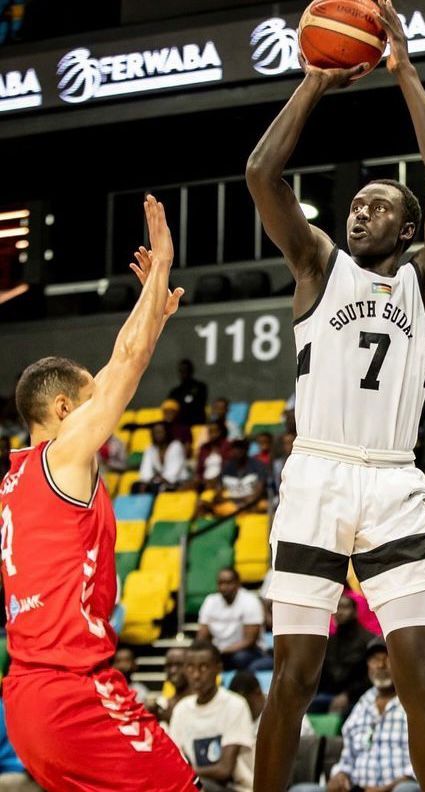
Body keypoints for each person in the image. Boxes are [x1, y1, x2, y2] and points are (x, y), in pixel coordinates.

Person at [245, 4, 425, 789]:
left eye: (380, 206)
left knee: (421, 680)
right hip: (319, 473)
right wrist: (311, 84)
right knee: (295, 678)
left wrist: (405, 72)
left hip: (394, 479)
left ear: (408, 231)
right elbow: (261, 175)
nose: (359, 210)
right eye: (356, 203)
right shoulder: (318, 267)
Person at [0, 196, 199, 791]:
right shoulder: (64, 455)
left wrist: (154, 315)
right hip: (73, 692)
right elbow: (127, 362)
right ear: (63, 410)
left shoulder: (16, 478)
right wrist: (161, 263)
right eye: (92, 401)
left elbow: (120, 368)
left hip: (27, 697)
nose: (107, 407)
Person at [292, 639, 419, 792]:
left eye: (387, 659)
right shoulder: (362, 705)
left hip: (399, 787)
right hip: (358, 789)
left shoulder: (414, 705)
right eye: (374, 660)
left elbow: (424, 763)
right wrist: (340, 775)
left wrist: (387, 788)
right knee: (302, 790)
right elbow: (347, 760)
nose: (380, 665)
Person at [170, 640, 256, 792]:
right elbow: (175, 763)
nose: (196, 675)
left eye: (203, 667)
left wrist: (187, 774)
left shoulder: (235, 705)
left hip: (237, 788)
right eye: (190, 667)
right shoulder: (181, 709)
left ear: (218, 669)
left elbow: (224, 770)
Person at [310, 594, 372, 715]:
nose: (340, 612)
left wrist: (347, 695)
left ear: (354, 612)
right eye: (337, 608)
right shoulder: (329, 641)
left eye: (345, 607)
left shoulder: (367, 640)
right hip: (329, 694)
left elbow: (368, 679)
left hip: (357, 696)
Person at [197, 568, 266, 670]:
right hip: (219, 651)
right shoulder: (210, 601)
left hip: (249, 651)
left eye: (228, 583)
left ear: (238, 583)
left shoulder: (250, 601)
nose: (224, 587)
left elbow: (249, 641)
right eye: (221, 583)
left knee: (239, 658)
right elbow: (202, 637)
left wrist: (221, 651)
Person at [205, 440, 269, 517]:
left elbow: (257, 495)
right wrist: (236, 500)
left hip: (252, 505)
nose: (238, 451)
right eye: (235, 448)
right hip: (233, 505)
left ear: (246, 449)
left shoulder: (258, 466)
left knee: (263, 506)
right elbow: (217, 497)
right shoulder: (226, 468)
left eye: (241, 448)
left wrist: (234, 500)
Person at [134, 421, 190, 493]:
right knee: (136, 486)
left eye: (161, 432)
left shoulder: (176, 446)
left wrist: (158, 480)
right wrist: (146, 481)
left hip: (178, 481)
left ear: (167, 433)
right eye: (156, 433)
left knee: (157, 487)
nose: (158, 435)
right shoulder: (150, 448)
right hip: (160, 482)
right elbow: (145, 470)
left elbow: (173, 473)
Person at [152, 646, 191, 726]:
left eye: (179, 665)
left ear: (190, 667)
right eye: (169, 665)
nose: (173, 670)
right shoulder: (162, 704)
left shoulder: (202, 700)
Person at [168, 359, 207, 427]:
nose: (183, 373)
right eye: (181, 371)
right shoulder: (175, 392)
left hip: (197, 423)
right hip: (180, 425)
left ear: (191, 371)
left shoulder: (200, 387)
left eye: (186, 370)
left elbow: (198, 405)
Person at [194, 420, 232, 492]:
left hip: (221, 482)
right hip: (204, 482)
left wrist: (215, 480)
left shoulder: (227, 446)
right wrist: (200, 480)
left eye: (215, 431)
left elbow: (228, 468)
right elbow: (199, 470)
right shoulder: (204, 448)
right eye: (210, 431)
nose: (212, 434)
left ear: (220, 432)